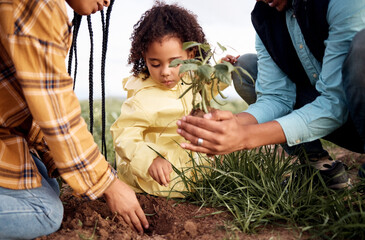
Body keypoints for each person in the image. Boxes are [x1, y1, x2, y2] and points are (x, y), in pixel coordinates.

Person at [176, 0, 365, 188]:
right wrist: (231, 125)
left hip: (354, 110)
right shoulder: (265, 16)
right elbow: (275, 97)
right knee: (246, 68)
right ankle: (317, 166)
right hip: (335, 119)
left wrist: (244, 137)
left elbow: (335, 102)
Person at [0, 0, 148, 238]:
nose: (107, 2)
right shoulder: (42, 5)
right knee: (45, 211)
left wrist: (87, 173)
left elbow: (33, 104)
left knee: (47, 181)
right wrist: (108, 183)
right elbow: (55, 110)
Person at [110, 2, 212, 198]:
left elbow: (207, 88)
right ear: (144, 57)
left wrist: (224, 70)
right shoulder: (143, 98)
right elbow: (124, 135)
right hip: (155, 178)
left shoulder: (190, 80)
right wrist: (150, 159)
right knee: (169, 188)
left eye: (175, 63)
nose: (166, 72)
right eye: (155, 64)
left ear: (190, 55)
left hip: (188, 164)